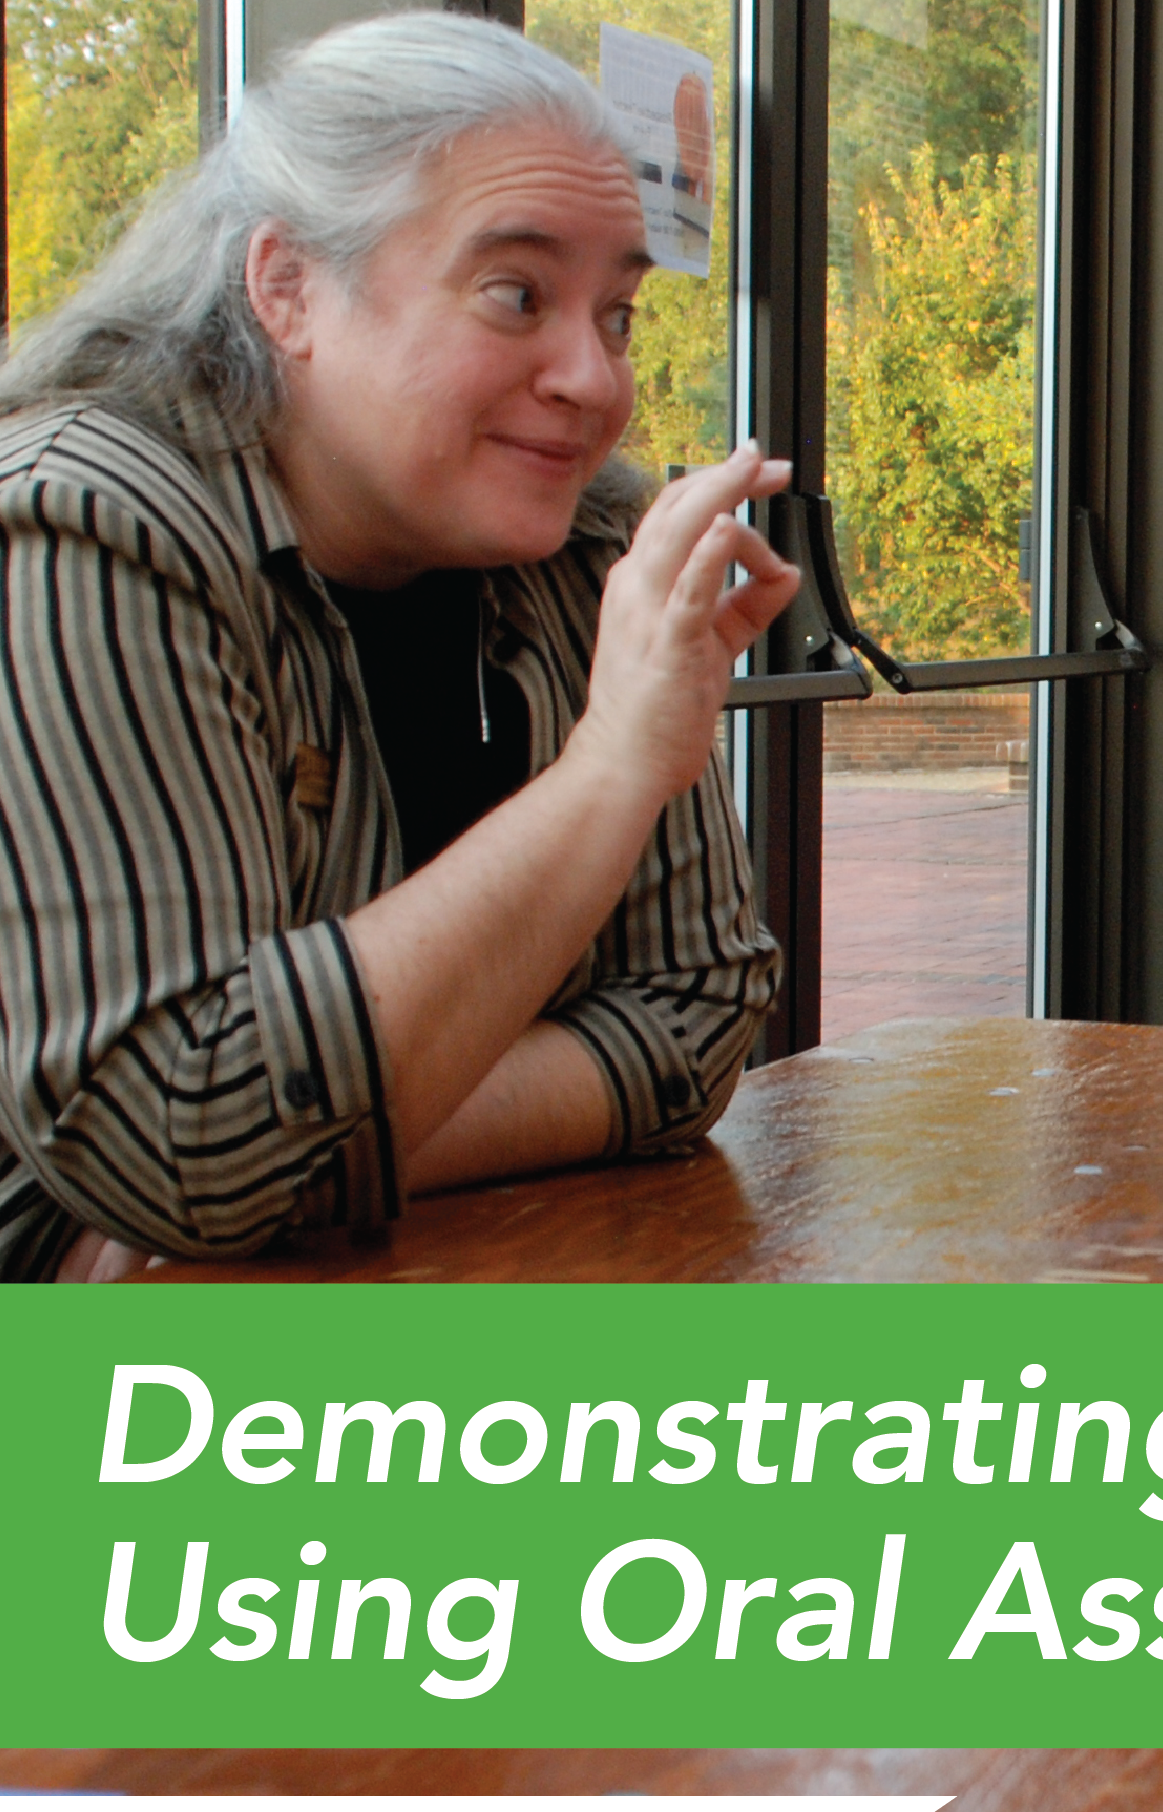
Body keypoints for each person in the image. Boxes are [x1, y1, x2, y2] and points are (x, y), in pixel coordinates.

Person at [0, 11, 795, 1280]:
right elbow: (182, 1128)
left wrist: (309, 1151)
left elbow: (696, 1021)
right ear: (287, 287)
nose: (593, 380)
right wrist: (611, 768)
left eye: (620, 314)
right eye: (515, 294)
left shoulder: (582, 548)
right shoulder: (87, 517)